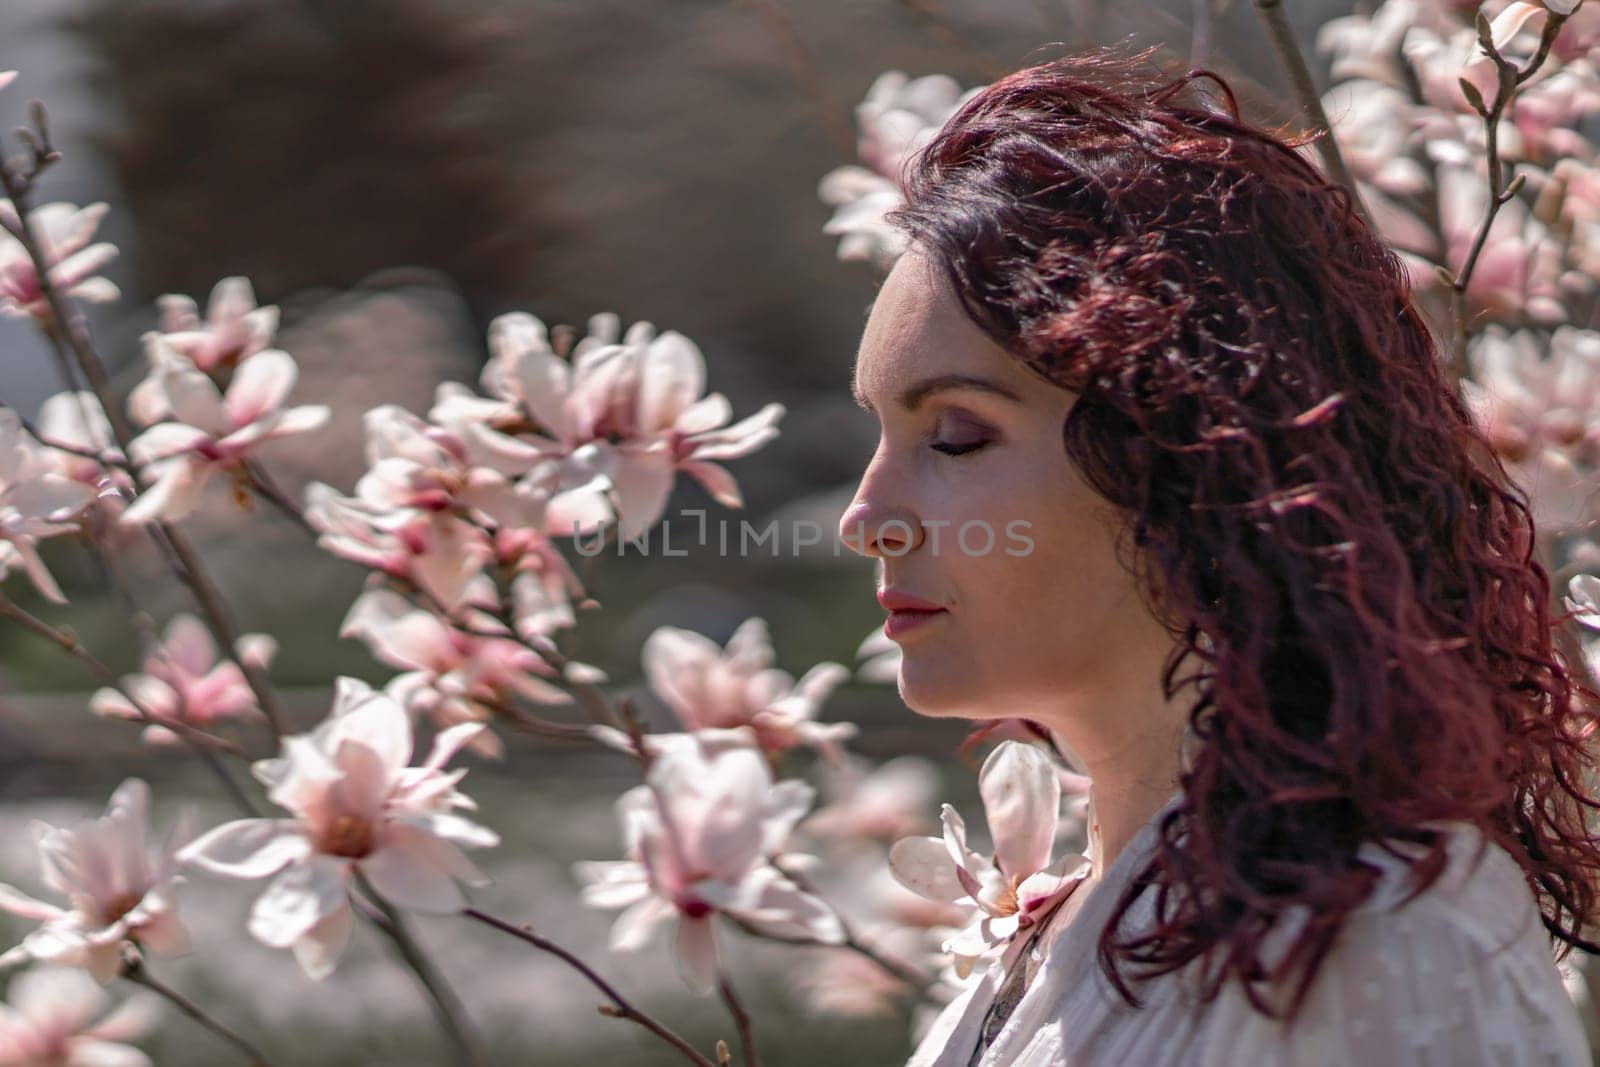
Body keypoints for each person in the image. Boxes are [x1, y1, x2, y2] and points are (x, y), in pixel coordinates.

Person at [837, 42, 1600, 1066]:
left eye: (956, 435)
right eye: (877, 434)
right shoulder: (1049, 941)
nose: (865, 515)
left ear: (1187, 449)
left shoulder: (1380, 937)